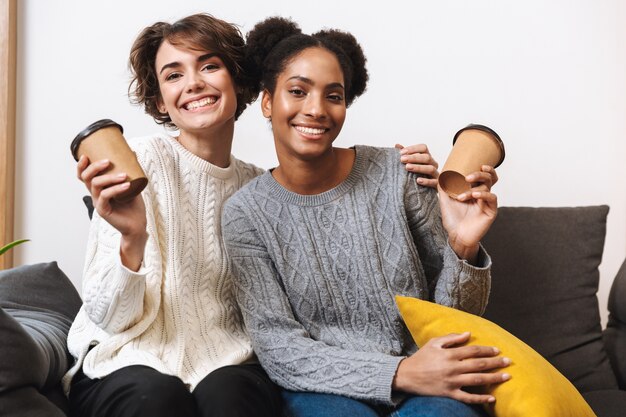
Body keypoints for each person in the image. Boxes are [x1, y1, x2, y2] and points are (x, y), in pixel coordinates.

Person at [63, 13, 439, 417]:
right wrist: (132, 239)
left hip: (227, 363)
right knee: (157, 399)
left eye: (209, 66)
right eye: (173, 76)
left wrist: (425, 195)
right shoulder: (134, 164)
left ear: (239, 83)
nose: (193, 83)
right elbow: (108, 319)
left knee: (232, 400)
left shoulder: (260, 192)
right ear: (159, 101)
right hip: (126, 360)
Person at [222, 17, 508, 417]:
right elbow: (278, 347)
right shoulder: (245, 214)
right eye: (298, 91)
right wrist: (399, 372)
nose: (316, 109)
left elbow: (454, 320)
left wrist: (462, 245)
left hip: (430, 377)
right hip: (324, 387)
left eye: (333, 96)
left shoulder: (398, 172)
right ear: (268, 101)